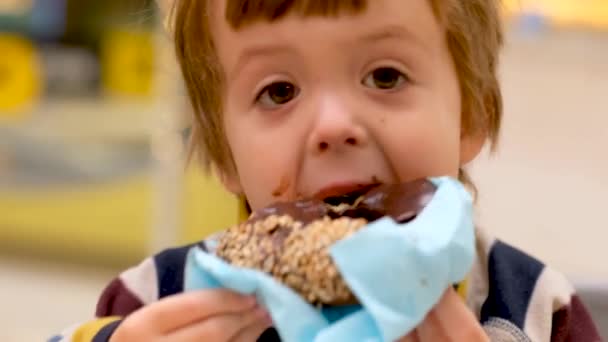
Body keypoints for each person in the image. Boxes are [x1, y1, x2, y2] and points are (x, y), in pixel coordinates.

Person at [50, 0, 601, 341]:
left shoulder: (533, 309)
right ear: (223, 154)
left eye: (385, 76)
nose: (334, 126)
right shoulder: (160, 300)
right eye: (279, 91)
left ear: (471, 114)